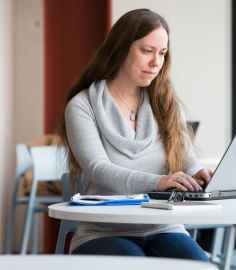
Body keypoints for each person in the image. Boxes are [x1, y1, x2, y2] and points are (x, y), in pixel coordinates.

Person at [58, 9, 211, 260]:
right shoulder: (82, 105)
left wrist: (197, 172)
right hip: (103, 232)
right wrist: (158, 182)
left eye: (162, 53)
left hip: (163, 226)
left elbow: (185, 155)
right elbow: (98, 168)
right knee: (135, 262)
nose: (156, 63)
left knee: (199, 265)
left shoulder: (165, 102)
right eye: (147, 51)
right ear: (121, 48)